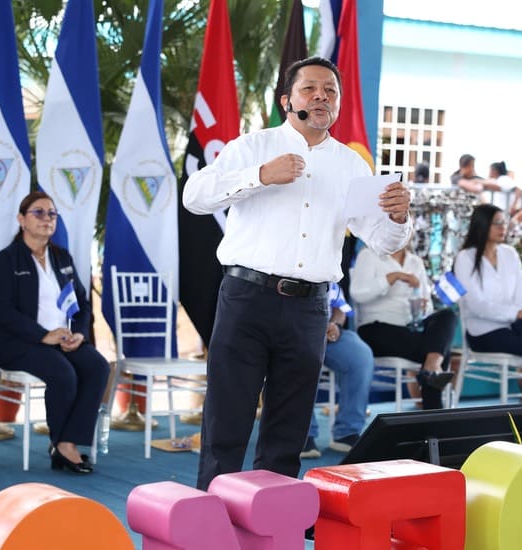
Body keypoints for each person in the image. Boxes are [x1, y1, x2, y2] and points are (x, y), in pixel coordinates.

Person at [183, 56, 412, 491]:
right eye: (310, 88)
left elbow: (381, 241)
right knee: (227, 419)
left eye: (330, 90)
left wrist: (398, 218)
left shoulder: (352, 166)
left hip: (310, 309)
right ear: (287, 100)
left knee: (289, 429)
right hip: (247, 299)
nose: (321, 96)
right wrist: (261, 175)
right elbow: (194, 196)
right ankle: (213, 516)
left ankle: (273, 518)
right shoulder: (253, 147)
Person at [0, 191, 109, 474]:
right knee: (63, 373)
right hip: (16, 342)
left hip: (61, 341)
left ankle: (67, 441)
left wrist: (79, 333)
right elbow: (2, 310)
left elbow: (81, 303)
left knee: (98, 367)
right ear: (21, 220)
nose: (47, 218)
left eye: (52, 213)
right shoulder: (7, 260)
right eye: (38, 212)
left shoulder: (61, 257)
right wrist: (42, 335)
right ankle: (63, 446)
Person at [454, 204, 522, 403]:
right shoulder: (465, 258)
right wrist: (520, 313)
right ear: (482, 225)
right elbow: (477, 305)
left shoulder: (509, 254)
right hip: (482, 333)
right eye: (497, 223)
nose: (503, 227)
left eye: (504, 222)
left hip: (512, 327)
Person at [350, 245, 458, 410]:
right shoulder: (369, 254)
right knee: (439, 349)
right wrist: (392, 277)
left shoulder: (415, 262)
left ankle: (431, 367)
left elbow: (427, 305)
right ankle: (434, 408)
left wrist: (424, 307)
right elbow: (358, 294)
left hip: (409, 328)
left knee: (447, 316)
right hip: (375, 328)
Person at [301, 284, 374, 458]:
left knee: (360, 355)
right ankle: (302, 433)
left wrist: (335, 325)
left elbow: (339, 307)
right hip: (297, 332)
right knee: (305, 357)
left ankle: (347, 432)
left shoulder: (330, 273)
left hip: (327, 333)